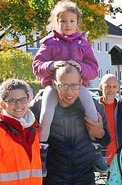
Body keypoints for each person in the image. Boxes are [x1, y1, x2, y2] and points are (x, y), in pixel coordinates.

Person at [32, 0, 105, 172]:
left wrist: (81, 67)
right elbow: (37, 66)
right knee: (46, 115)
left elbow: (93, 69)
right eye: (63, 21)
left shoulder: (83, 43)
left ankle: (95, 149)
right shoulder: (49, 42)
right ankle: (42, 154)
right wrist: (52, 65)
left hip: (78, 86)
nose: (67, 25)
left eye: (71, 21)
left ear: (77, 22)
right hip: (54, 86)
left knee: (92, 112)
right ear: (56, 22)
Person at [98, 74, 122, 165]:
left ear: (118, 88)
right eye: (107, 86)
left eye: (114, 86)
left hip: (118, 160)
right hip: (97, 160)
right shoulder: (93, 108)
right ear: (100, 87)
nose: (111, 90)